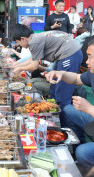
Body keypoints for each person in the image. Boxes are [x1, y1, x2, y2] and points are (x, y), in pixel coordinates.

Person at [12, 24, 82, 125]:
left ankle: (65, 127)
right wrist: (17, 65)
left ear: (23, 39)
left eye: (18, 43)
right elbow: (33, 59)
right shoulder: (36, 37)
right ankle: (51, 120)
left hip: (69, 55)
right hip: (64, 56)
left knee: (62, 95)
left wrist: (20, 68)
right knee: (53, 89)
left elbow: (34, 66)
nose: (19, 45)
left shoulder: (33, 42)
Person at [45, 40, 94, 170]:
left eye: (90, 56)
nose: (86, 61)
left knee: (83, 152)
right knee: (67, 109)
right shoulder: (92, 74)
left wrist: (89, 108)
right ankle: (79, 143)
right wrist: (61, 73)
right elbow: (76, 78)